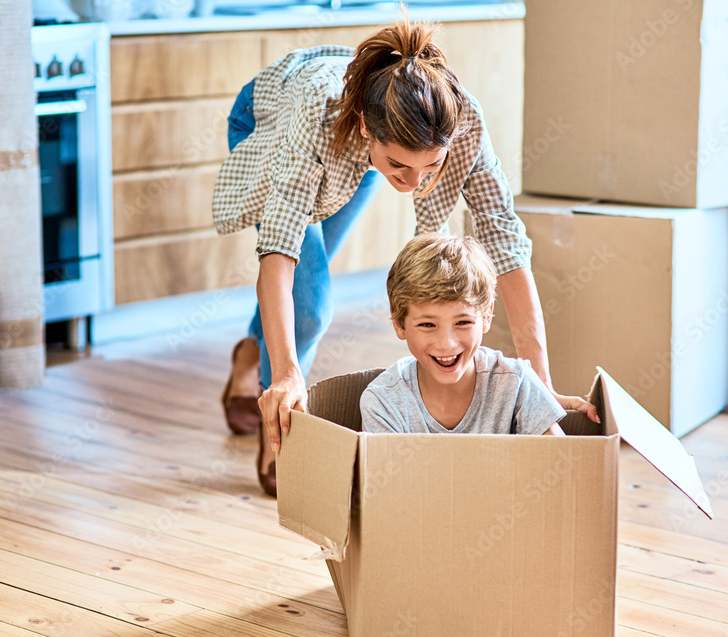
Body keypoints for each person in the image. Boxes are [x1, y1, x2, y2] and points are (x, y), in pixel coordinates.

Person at [213, 12, 598, 497]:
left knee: (306, 280)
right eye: (399, 166)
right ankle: (278, 419)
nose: (414, 183)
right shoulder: (317, 124)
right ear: (366, 133)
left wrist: (540, 383)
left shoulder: (461, 123)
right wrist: (291, 375)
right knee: (309, 301)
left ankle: (251, 353)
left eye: (430, 166)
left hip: (365, 129)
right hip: (273, 119)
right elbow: (278, 253)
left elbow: (505, 241)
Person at [360, 234, 568, 435]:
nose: (446, 344)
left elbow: (559, 461)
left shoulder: (516, 383)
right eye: (427, 324)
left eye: (463, 322)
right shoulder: (383, 402)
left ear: (486, 316)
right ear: (399, 324)